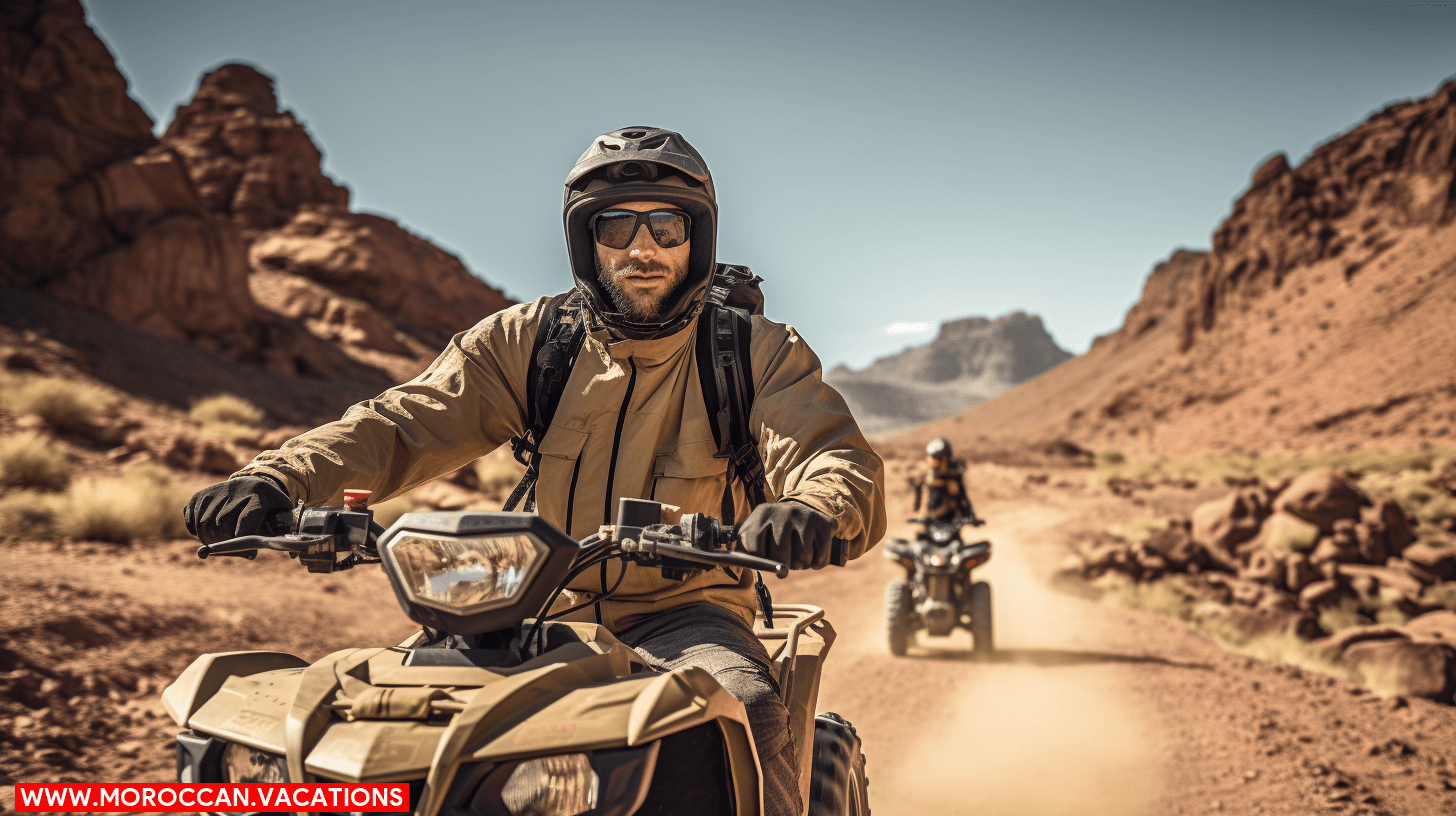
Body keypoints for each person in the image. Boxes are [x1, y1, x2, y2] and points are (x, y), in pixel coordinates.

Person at [183, 126, 886, 816]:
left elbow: (830, 453)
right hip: (528, 611)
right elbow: (402, 422)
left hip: (687, 616)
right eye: (616, 227)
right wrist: (277, 479)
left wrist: (816, 509)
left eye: (667, 227)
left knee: (745, 710)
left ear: (697, 239)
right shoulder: (532, 340)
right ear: (587, 241)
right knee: (377, 738)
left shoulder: (754, 353)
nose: (643, 248)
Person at [911, 437, 980, 527]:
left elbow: (961, 498)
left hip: (951, 520)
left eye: (940, 458)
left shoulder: (954, 475)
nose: (938, 462)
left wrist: (970, 516)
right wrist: (918, 514)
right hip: (930, 521)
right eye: (935, 458)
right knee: (920, 536)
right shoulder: (928, 475)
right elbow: (921, 496)